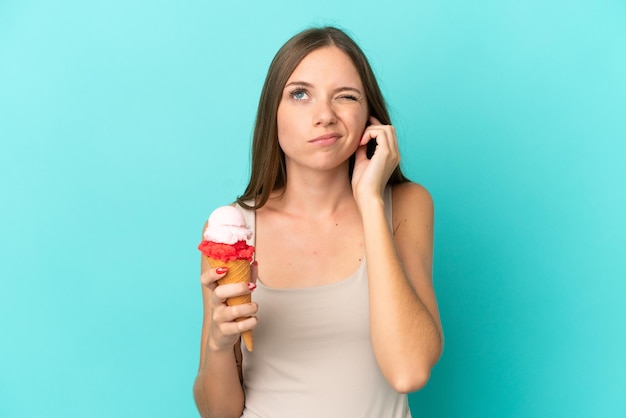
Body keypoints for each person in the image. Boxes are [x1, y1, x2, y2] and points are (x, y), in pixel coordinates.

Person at [193, 26, 443, 418]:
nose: (325, 116)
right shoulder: (233, 229)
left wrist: (370, 200)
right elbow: (217, 413)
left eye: (346, 97)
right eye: (300, 94)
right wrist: (217, 346)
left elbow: (408, 371)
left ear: (370, 117)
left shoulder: (407, 205)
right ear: (272, 114)